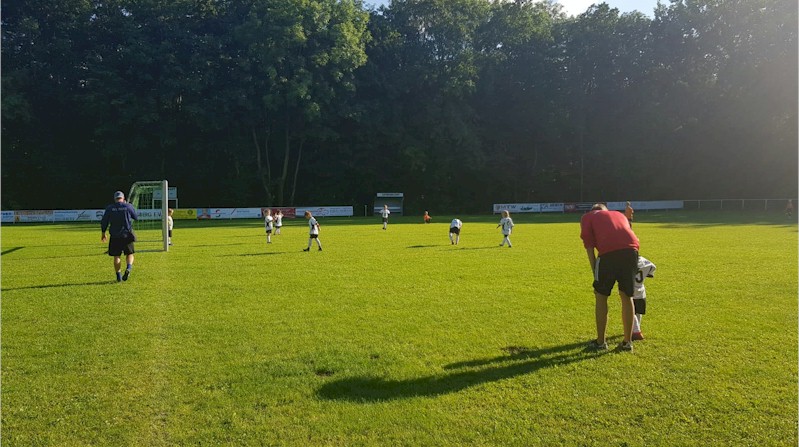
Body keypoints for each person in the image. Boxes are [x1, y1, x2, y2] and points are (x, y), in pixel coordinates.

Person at [581, 203, 640, 351]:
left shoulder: (588, 217)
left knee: (601, 296)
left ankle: (601, 342)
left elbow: (589, 246)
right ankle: (627, 343)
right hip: (631, 252)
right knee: (627, 296)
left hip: (608, 254)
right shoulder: (619, 215)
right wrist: (629, 217)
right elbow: (625, 234)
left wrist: (595, 270)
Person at [101, 190, 138, 282]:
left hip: (115, 235)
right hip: (127, 235)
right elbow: (136, 217)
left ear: (115, 199)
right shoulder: (128, 206)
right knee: (129, 254)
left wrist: (103, 233)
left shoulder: (110, 208)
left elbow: (104, 221)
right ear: (123, 198)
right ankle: (128, 268)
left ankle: (118, 276)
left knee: (116, 256)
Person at [632, 256, 657, 341]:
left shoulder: (626, 261)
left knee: (631, 311)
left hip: (630, 291)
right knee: (638, 311)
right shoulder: (644, 260)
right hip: (641, 291)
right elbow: (653, 267)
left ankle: (636, 331)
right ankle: (635, 328)